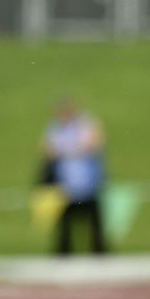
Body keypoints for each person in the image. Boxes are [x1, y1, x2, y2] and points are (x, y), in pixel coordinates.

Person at [40, 97, 107, 256]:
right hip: (65, 186)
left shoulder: (87, 125)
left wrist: (66, 149)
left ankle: (100, 257)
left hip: (88, 185)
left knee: (95, 225)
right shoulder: (55, 128)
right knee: (64, 228)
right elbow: (48, 151)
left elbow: (93, 145)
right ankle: (64, 258)